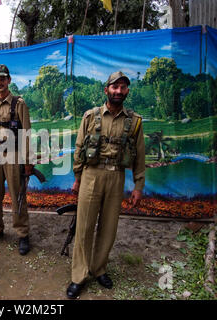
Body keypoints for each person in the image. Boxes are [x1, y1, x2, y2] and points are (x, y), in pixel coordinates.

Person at [66, 71, 145, 299]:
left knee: (108, 228)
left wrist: (138, 186)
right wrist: (77, 177)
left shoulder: (135, 121)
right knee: (84, 228)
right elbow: (80, 147)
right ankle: (79, 276)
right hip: (91, 175)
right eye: (115, 87)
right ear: (106, 90)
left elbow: (139, 156)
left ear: (127, 91)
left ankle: (99, 269)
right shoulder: (90, 116)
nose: (119, 91)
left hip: (116, 177)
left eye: (123, 87)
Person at [0, 64, 34, 255]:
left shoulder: (19, 104)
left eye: (2, 79)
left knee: (17, 197)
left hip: (13, 155)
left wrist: (28, 161)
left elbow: (26, 133)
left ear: (9, 80)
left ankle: (22, 234)